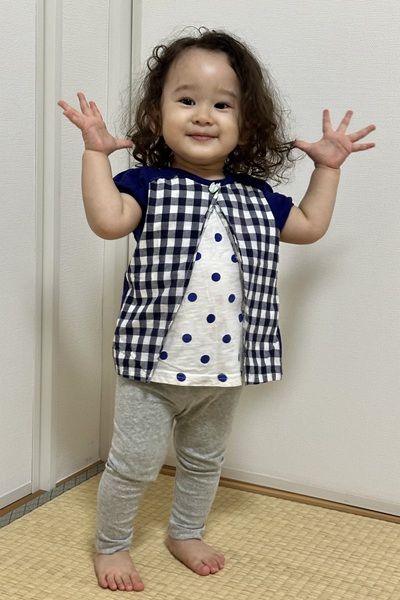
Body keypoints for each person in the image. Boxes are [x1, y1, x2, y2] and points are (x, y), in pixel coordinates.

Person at [58, 29, 375, 593]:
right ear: (156, 116)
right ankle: (112, 543)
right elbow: (107, 221)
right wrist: (95, 155)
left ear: (246, 124)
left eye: (222, 105)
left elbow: (307, 227)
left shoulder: (257, 198)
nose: (204, 115)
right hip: (152, 367)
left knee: (204, 461)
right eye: (186, 99)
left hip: (224, 369)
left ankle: (186, 532)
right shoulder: (147, 184)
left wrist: (328, 169)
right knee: (133, 464)